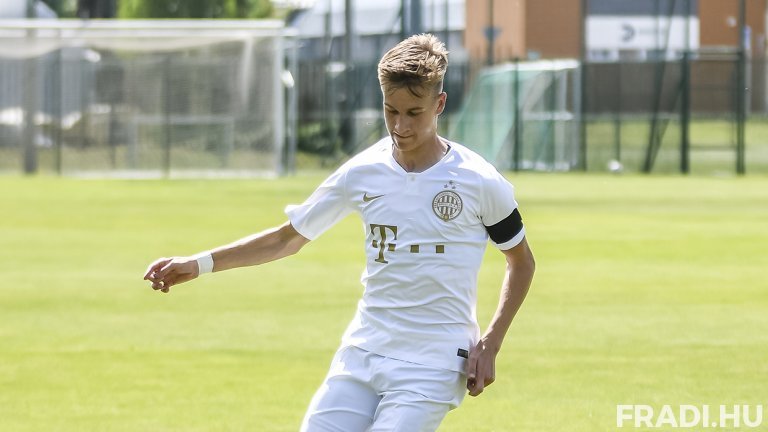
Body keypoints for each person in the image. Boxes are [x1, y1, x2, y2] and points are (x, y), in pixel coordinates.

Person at [143, 33, 535, 432]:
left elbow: (521, 262)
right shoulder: (362, 171)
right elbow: (287, 238)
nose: (400, 126)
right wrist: (199, 263)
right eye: (390, 110)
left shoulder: (479, 181)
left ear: (439, 104)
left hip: (433, 362)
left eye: (413, 113)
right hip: (363, 351)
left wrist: (491, 341)